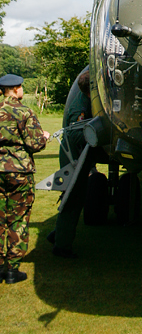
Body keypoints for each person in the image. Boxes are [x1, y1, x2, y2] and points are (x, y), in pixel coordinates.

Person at [0, 74, 50, 284]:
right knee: (18, 218)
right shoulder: (24, 112)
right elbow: (35, 144)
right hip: (20, 171)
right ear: (17, 89)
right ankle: (12, 269)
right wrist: (45, 137)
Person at [49, 67, 96, 258]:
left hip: (74, 157)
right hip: (74, 158)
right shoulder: (80, 108)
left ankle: (58, 235)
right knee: (72, 200)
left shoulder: (83, 101)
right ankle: (62, 246)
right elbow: (78, 135)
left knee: (71, 198)